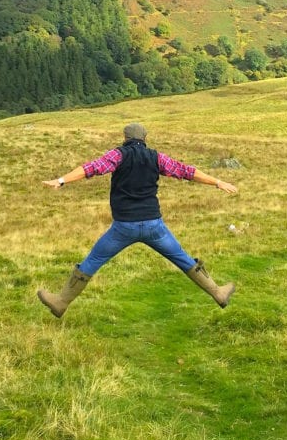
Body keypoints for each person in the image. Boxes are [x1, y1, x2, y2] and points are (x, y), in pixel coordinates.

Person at [37, 122, 238, 317]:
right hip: (154, 226)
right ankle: (218, 293)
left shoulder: (118, 155)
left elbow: (91, 168)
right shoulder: (156, 158)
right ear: (145, 138)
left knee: (94, 259)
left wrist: (61, 180)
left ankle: (61, 302)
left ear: (125, 138)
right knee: (183, 258)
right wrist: (218, 182)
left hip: (123, 227)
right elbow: (186, 171)